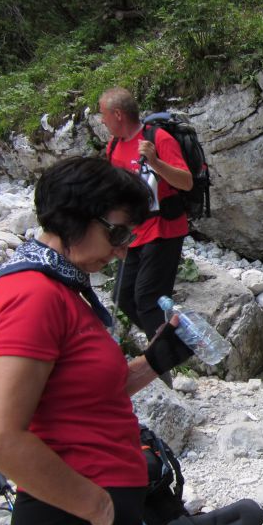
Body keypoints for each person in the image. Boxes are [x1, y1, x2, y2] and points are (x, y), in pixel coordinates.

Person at [0, 157, 194, 525]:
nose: (121, 252)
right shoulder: (33, 297)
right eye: (117, 234)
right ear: (75, 217)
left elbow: (92, 394)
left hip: (101, 513)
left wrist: (159, 357)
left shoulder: (63, 287)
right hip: (76, 521)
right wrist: (97, 508)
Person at [99, 86, 192, 340]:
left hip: (164, 229)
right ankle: (166, 344)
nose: (101, 120)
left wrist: (156, 163)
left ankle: (161, 359)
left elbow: (186, 182)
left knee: (148, 299)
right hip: (134, 232)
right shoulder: (114, 146)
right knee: (123, 296)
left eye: (103, 114)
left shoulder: (159, 138)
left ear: (118, 114)